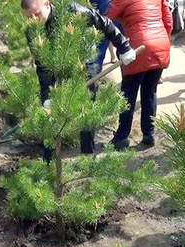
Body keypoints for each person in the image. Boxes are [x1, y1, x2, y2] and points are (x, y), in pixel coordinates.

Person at [21, 0, 136, 158]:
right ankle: (48, 160)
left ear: (47, 4)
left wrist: (124, 46)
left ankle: (88, 155)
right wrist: (48, 96)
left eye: (37, 14)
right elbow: (42, 66)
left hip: (83, 66)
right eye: (29, 17)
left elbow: (104, 23)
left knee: (85, 112)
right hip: (55, 71)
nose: (34, 20)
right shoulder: (32, 31)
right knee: (48, 115)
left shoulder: (73, 11)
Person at [108, 0, 172, 150]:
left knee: (128, 95)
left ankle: (122, 137)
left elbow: (105, 19)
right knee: (150, 91)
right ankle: (149, 134)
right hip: (160, 45)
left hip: (137, 49)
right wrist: (162, 41)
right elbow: (168, 21)